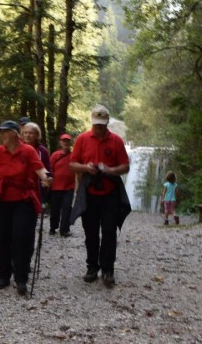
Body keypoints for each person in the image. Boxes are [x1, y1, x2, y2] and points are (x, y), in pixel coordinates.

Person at [0, 120, 52, 296]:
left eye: (4, 132)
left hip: (23, 199)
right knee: (4, 239)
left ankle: (21, 278)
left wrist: (47, 177)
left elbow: (40, 169)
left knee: (21, 238)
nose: (1, 136)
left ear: (15, 134)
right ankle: (4, 275)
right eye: (0, 133)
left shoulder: (28, 151)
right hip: (3, 200)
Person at [70, 104, 130, 288]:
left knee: (110, 231)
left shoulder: (116, 141)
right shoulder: (82, 139)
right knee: (91, 232)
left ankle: (108, 269)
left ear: (107, 123)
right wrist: (86, 168)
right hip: (89, 192)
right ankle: (92, 267)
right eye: (96, 124)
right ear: (92, 122)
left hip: (110, 192)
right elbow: (72, 164)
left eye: (102, 125)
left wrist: (111, 170)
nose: (98, 128)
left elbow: (125, 166)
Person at [49, 133, 75, 237]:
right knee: (55, 209)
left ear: (70, 143)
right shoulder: (55, 155)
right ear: (60, 142)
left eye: (67, 141)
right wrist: (49, 179)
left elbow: (77, 169)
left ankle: (64, 230)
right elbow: (49, 168)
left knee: (67, 208)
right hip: (55, 187)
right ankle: (53, 227)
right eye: (64, 141)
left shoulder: (73, 155)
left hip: (69, 187)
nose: (65, 143)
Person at [21, 122, 51, 203]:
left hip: (37, 188)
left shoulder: (43, 151)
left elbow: (48, 169)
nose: (27, 135)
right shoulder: (18, 149)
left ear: (36, 135)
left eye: (31, 133)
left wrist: (47, 181)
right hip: (20, 188)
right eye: (25, 133)